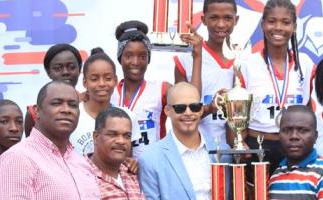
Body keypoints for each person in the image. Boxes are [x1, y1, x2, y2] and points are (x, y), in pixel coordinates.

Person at [239, 0, 315, 168]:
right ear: (262, 25)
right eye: (272, 21)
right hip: (257, 146)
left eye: (286, 22)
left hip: (296, 148)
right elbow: (237, 115)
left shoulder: (306, 64)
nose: (278, 27)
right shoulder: (247, 65)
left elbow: (309, 107)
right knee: (257, 194)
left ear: (294, 26)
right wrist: (239, 143)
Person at [174, 0, 238, 149]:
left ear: (236, 20)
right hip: (193, 147)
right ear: (203, 20)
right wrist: (209, 108)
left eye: (227, 18)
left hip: (229, 151)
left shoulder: (242, 60)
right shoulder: (186, 59)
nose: (221, 24)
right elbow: (181, 113)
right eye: (214, 17)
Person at [113, 21, 168, 158]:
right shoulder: (108, 92)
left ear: (148, 59)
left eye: (142, 56)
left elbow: (189, 100)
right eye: (129, 56)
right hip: (117, 171)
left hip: (152, 171)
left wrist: (196, 55)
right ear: (120, 58)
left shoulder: (161, 89)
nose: (136, 62)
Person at [24, 44, 82, 137]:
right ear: (48, 72)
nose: (65, 72)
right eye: (58, 68)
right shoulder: (34, 114)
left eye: (71, 67)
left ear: (79, 69)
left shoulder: (91, 106)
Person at [71, 48, 118, 157]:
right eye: (94, 79)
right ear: (84, 82)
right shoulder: (72, 116)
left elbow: (126, 162)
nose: (102, 84)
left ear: (115, 80)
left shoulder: (126, 116)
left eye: (108, 78)